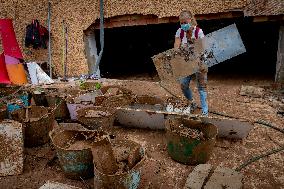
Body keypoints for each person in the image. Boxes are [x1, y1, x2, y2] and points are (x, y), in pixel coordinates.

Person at [174, 10, 208, 116]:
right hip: (187, 62)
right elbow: (176, 46)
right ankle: (192, 102)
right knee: (183, 84)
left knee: (201, 87)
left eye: (185, 22)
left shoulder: (199, 31)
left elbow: (202, 48)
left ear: (190, 20)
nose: (183, 24)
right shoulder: (180, 32)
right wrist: (178, 51)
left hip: (200, 61)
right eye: (181, 23)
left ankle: (205, 111)